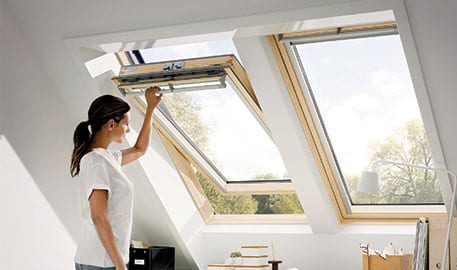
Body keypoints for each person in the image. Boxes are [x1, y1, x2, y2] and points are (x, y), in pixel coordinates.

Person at [70, 87, 162, 270]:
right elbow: (98, 216)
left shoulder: (107, 158)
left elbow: (140, 149)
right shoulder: (97, 162)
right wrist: (120, 265)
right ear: (111, 124)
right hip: (100, 261)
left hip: (102, 259)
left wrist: (151, 108)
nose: (128, 130)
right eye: (126, 124)